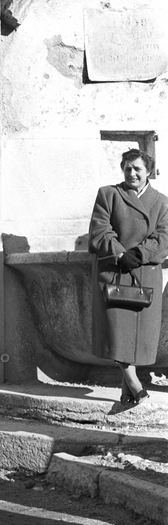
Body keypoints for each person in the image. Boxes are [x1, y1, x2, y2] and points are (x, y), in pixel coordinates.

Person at [89, 148, 168, 404]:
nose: (132, 173)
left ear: (149, 172)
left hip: (145, 273)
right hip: (114, 271)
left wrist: (140, 253)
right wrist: (121, 254)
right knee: (117, 330)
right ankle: (135, 384)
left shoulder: (162, 202)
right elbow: (100, 231)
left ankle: (126, 395)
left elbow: (164, 237)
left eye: (137, 169)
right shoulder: (108, 194)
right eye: (127, 168)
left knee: (137, 334)